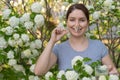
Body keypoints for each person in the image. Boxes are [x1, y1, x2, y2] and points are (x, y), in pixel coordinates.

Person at [34, 3, 118, 76]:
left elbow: (113, 73)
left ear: (88, 23)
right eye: (72, 20)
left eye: (82, 20)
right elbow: (39, 71)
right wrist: (52, 41)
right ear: (67, 22)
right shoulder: (59, 49)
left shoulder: (98, 46)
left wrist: (95, 72)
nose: (77, 24)